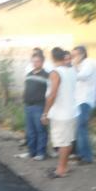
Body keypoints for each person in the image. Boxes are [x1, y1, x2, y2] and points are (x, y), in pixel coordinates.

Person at [41, 47, 79, 178]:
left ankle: (61, 170)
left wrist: (45, 113)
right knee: (67, 142)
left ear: (52, 58)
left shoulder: (55, 72)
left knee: (62, 143)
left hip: (61, 114)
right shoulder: (72, 71)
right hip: (72, 112)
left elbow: (52, 95)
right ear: (63, 57)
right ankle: (64, 167)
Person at [22, 53, 50, 160]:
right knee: (30, 131)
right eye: (33, 61)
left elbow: (50, 92)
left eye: (37, 61)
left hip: (39, 106)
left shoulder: (46, 75)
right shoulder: (29, 74)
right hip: (28, 106)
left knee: (41, 130)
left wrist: (47, 111)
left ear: (42, 62)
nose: (35, 63)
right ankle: (31, 152)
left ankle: (41, 153)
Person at [72, 45, 96, 164]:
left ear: (82, 54)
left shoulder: (89, 62)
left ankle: (87, 157)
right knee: (80, 129)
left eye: (75, 55)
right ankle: (81, 154)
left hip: (85, 101)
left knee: (82, 128)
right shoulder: (81, 65)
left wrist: (75, 65)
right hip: (79, 101)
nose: (73, 57)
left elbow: (82, 76)